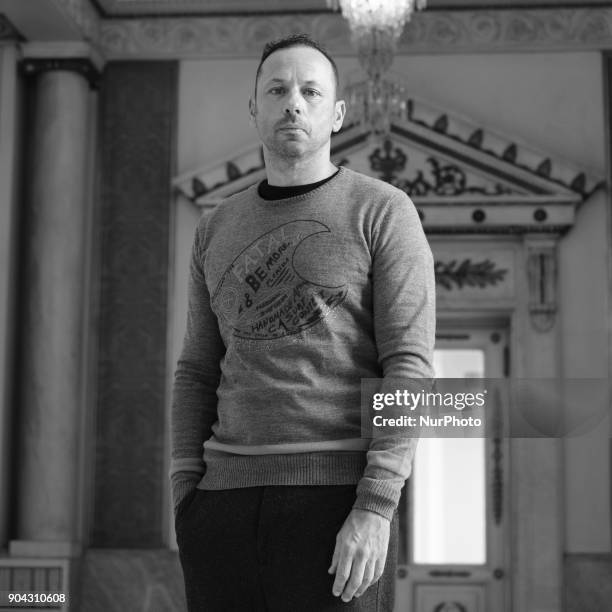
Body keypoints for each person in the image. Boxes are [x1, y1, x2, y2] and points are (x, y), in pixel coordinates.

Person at [170, 33, 436, 611]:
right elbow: (196, 368)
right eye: (278, 89)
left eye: (311, 91)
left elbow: (409, 366)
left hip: (338, 503)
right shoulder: (215, 227)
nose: (294, 102)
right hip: (220, 508)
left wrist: (376, 504)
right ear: (254, 109)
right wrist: (185, 493)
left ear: (337, 114)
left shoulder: (383, 210)